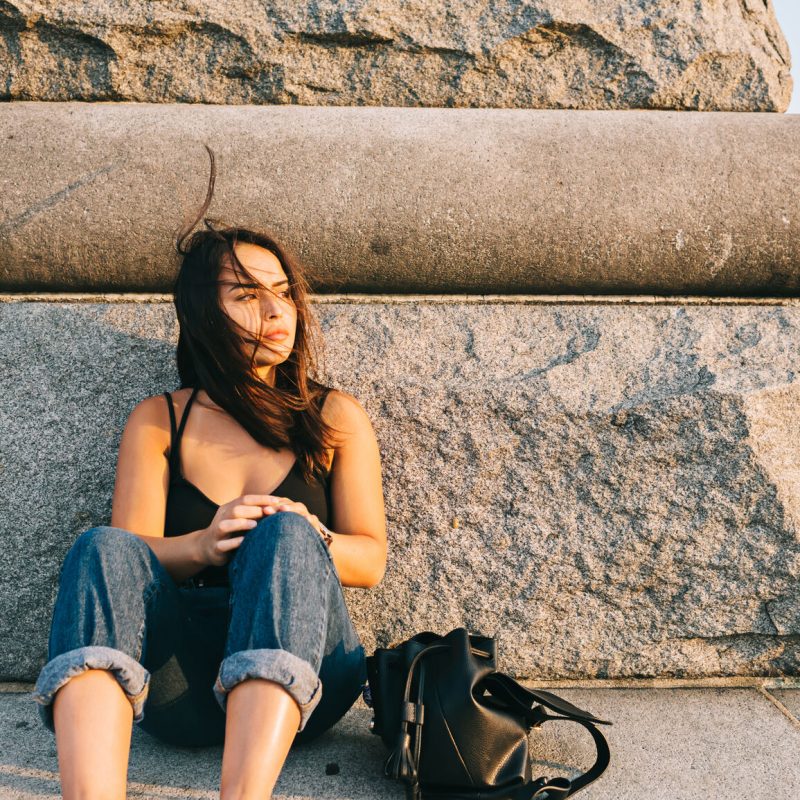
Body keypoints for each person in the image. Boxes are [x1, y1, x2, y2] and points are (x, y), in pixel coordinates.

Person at [31, 149, 387, 800]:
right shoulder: (160, 420)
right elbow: (129, 561)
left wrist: (313, 536)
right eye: (247, 294)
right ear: (202, 312)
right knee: (97, 548)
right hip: (184, 688)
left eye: (282, 292)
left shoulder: (333, 416)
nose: (276, 311)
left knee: (284, 534)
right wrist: (205, 543)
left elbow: (371, 558)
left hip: (307, 679)